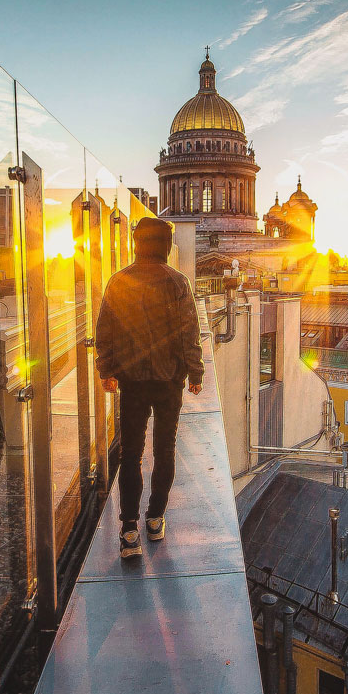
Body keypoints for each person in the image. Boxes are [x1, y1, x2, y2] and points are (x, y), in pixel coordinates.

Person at [95, 217, 203, 560]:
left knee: (130, 455)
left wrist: (106, 370)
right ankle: (155, 520)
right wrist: (195, 372)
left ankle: (129, 532)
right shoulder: (177, 281)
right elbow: (189, 333)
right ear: (166, 246)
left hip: (132, 382)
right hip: (169, 380)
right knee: (165, 451)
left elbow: (105, 331)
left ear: (137, 244)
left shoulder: (119, 281)